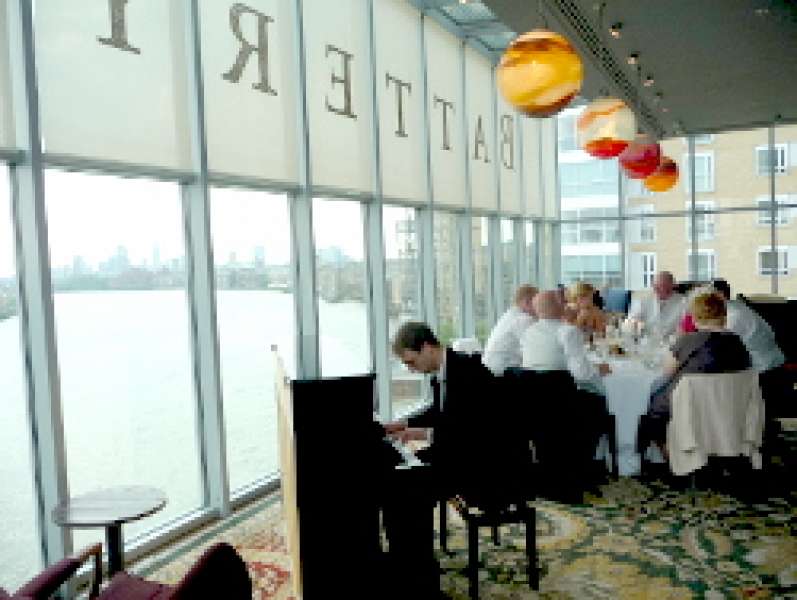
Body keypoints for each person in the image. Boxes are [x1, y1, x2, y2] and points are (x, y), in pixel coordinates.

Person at [645, 290, 751, 444]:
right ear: (724, 316)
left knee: (651, 402)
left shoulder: (688, 341)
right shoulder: (738, 342)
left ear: (694, 318)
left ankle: (671, 451)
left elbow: (667, 372)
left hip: (691, 405)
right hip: (728, 406)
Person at [521, 290, 611, 392]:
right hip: (562, 392)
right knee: (603, 390)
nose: (566, 305)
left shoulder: (527, 331)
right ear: (559, 306)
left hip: (531, 391)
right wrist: (599, 369)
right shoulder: (568, 331)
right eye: (563, 302)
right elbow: (582, 373)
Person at [711, 279, 785, 373]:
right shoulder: (736, 306)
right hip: (772, 358)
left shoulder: (732, 315)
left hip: (763, 367)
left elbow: (722, 341)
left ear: (720, 295)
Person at [482, 284, 538, 375]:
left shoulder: (510, 315)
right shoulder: (522, 319)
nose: (539, 308)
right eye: (538, 303)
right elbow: (535, 346)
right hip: (503, 369)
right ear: (527, 302)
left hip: (494, 365)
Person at [626, 271, 686, 338]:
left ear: (672, 285)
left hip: (672, 340)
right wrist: (634, 324)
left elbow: (686, 327)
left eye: (662, 286)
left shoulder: (683, 302)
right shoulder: (643, 299)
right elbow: (631, 320)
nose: (657, 290)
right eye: (655, 286)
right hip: (645, 339)